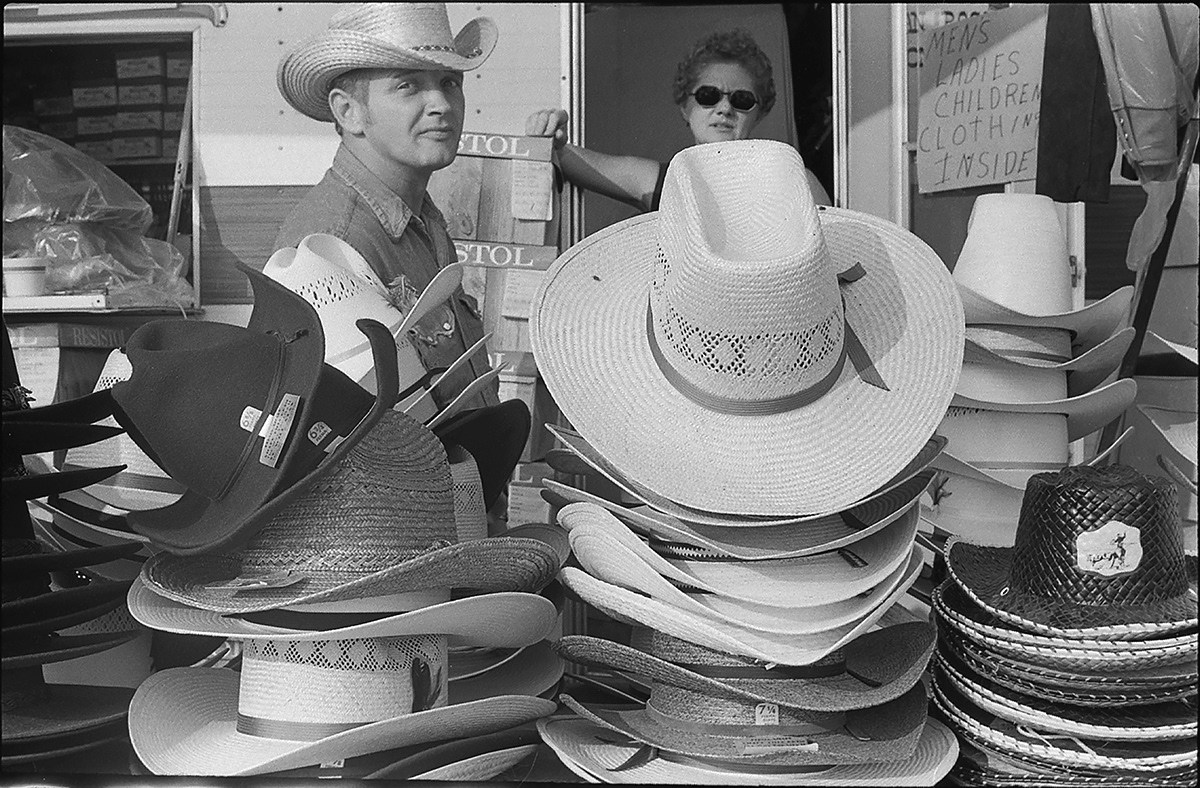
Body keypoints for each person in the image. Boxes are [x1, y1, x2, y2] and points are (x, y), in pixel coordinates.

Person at [274, 2, 499, 412]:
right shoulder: (330, 246)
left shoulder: (421, 217)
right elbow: (347, 433)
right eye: (408, 86)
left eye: (450, 82)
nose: (442, 104)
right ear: (349, 112)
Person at [526, 28, 831, 213]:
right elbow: (565, 157)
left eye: (741, 100)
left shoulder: (795, 180)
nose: (725, 108)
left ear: (760, 113)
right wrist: (548, 132)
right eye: (709, 95)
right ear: (685, 107)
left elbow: (840, 258)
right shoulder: (662, 181)